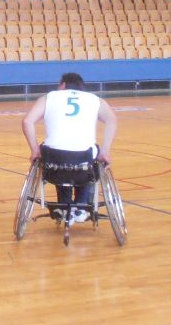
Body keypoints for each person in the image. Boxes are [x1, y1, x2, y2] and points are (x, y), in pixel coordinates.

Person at [21, 72, 117, 224]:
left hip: (54, 157)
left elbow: (27, 121)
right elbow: (112, 120)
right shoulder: (95, 99)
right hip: (84, 156)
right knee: (92, 161)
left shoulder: (49, 97)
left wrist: (34, 150)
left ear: (63, 85)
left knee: (57, 156)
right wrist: (105, 152)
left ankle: (65, 206)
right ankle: (81, 206)